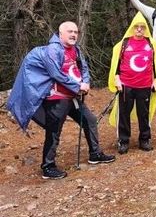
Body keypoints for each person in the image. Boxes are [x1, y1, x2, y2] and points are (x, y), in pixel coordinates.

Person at [7, 22, 115, 179]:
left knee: (90, 120)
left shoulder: (75, 50)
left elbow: (83, 68)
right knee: (54, 131)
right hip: (56, 99)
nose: (73, 34)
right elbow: (56, 74)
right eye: (70, 31)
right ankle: (48, 167)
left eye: (76, 32)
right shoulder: (53, 50)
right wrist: (78, 86)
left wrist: (86, 82)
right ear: (60, 34)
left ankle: (95, 154)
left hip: (72, 98)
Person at [107, 13, 156, 154]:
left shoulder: (152, 44)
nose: (139, 29)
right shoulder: (123, 45)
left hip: (144, 85)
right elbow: (116, 65)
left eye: (142, 27)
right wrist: (116, 79)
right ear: (132, 28)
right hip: (126, 85)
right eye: (136, 27)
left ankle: (144, 139)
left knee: (144, 114)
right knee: (124, 114)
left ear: (146, 29)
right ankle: (123, 141)